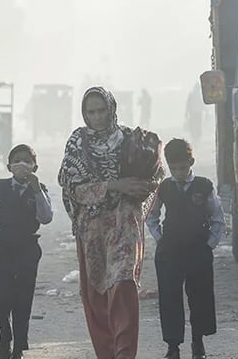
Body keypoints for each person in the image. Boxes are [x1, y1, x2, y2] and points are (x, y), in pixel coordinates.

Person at [58, 86, 163, 359]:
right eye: (91, 112)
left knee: (123, 286)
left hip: (124, 223)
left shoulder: (129, 138)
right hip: (92, 228)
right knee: (97, 294)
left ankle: (125, 354)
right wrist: (115, 185)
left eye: (102, 110)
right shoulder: (77, 142)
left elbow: (156, 174)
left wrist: (141, 188)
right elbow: (73, 187)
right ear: (84, 113)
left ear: (112, 109)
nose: (97, 117)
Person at [0, 144, 53, 359]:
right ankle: (5, 331)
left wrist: (36, 189)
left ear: (35, 167)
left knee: (23, 300)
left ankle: (17, 348)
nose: (22, 164)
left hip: (28, 250)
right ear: (9, 167)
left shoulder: (39, 190)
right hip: (2, 250)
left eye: (27, 161)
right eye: (17, 160)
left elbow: (46, 217)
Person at [146, 138, 224, 359]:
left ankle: (197, 342)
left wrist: (209, 244)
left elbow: (217, 217)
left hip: (197, 249)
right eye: (174, 168)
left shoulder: (204, 186)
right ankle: (173, 347)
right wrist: (160, 239)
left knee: (200, 298)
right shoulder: (163, 188)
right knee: (170, 298)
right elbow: (151, 216)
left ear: (191, 162)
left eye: (182, 167)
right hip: (170, 251)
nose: (179, 172)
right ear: (168, 166)